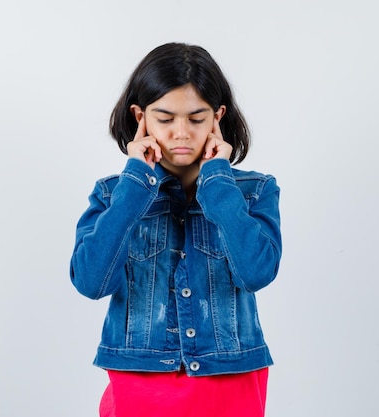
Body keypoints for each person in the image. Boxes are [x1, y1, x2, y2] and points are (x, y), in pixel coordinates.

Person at [70, 42, 282, 417]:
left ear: (218, 117)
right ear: (141, 117)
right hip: (141, 379)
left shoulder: (255, 191)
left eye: (196, 119)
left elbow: (256, 272)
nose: (181, 133)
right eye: (165, 119)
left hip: (229, 380)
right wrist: (135, 183)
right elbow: (91, 282)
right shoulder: (112, 193)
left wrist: (217, 180)